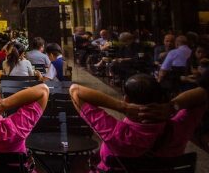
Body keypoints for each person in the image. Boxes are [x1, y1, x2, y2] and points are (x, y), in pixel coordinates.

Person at [70, 73, 209, 171]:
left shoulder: (115, 132)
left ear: (127, 99)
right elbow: (203, 93)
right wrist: (172, 106)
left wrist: (121, 106)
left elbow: (75, 90)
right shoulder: (179, 127)